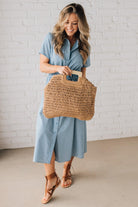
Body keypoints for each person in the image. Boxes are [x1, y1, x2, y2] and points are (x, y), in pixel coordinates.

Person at [33, 3, 91, 204]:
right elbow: (42, 66)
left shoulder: (84, 46)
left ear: (80, 24)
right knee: (44, 135)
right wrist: (57, 68)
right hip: (52, 97)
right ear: (61, 21)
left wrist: (82, 93)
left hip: (73, 98)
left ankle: (66, 169)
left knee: (71, 136)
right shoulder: (50, 39)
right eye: (67, 22)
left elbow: (83, 73)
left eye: (75, 23)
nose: (70, 26)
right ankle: (51, 179)